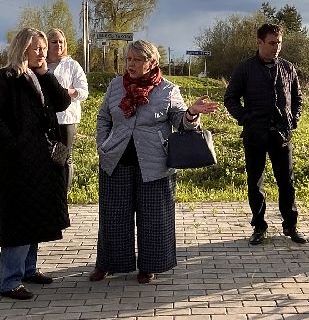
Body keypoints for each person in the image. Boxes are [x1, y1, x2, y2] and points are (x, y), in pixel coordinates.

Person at [91, 40, 217, 284]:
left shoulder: (168, 90)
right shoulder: (116, 85)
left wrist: (192, 113)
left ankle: (150, 265)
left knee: (154, 218)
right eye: (129, 59)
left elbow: (181, 121)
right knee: (113, 217)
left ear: (151, 63)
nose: (131, 64)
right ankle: (108, 263)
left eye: (137, 60)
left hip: (155, 164)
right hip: (116, 160)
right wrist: (102, 145)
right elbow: (103, 117)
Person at [0, 28, 72, 299]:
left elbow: (61, 102)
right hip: (17, 161)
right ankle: (9, 280)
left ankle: (28, 269)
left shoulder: (41, 76)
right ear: (22, 48)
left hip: (43, 159)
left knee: (36, 213)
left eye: (43, 47)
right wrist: (15, 145)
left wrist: (47, 74)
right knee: (18, 217)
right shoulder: (6, 77)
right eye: (36, 48)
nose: (41, 52)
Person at [224, 22, 306, 245]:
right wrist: (244, 118)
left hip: (282, 135)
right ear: (259, 42)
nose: (276, 47)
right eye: (271, 43)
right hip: (255, 135)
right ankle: (259, 227)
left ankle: (291, 226)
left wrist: (293, 120)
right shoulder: (245, 68)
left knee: (286, 183)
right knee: (255, 183)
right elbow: (230, 98)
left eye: (279, 43)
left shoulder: (288, 68)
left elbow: (298, 99)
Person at [20, 27, 89, 286]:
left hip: (65, 119)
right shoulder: (37, 65)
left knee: (63, 159)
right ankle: (49, 191)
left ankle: (62, 192)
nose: (57, 45)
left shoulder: (72, 65)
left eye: (60, 41)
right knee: (46, 162)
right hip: (43, 121)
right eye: (52, 42)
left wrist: (70, 94)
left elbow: (83, 90)